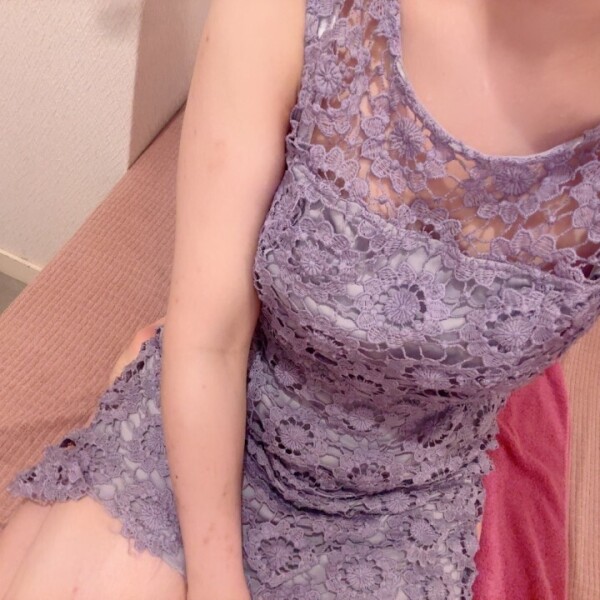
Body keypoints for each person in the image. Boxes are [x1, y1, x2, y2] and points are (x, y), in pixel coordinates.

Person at [1, 0, 600, 597]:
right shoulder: (294, 13)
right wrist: (216, 585)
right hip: (230, 409)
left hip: (400, 502)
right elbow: (210, 337)